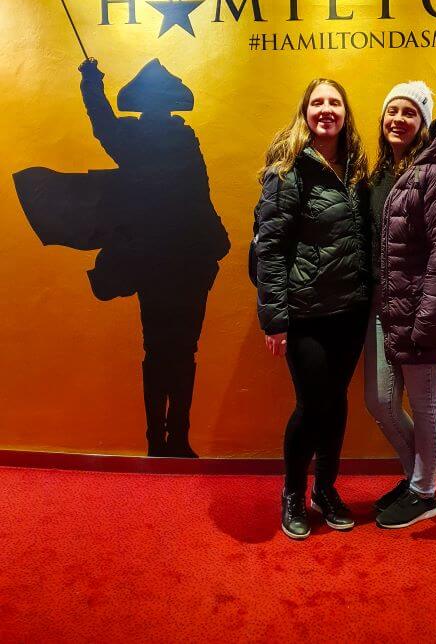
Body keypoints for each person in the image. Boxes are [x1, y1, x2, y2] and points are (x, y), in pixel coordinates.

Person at [77, 58, 229, 457]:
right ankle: (165, 439)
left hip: (178, 258)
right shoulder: (162, 138)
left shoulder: (152, 138)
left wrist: (92, 82)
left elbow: (102, 123)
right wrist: (91, 83)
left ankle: (170, 438)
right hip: (175, 258)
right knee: (172, 349)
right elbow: (102, 122)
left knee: (168, 349)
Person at [255, 78, 370, 540]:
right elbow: (270, 250)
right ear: (305, 112)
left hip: (351, 310)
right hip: (305, 313)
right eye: (318, 102)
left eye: (335, 102)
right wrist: (275, 319)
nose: (326, 110)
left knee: (336, 402)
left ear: (345, 113)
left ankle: (325, 488)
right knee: (312, 404)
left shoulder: (360, 170)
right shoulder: (287, 171)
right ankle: (292, 494)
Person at [364, 82, 436, 529]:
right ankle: (416, 478)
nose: (398, 119)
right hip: (382, 309)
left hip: (422, 311)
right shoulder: (379, 175)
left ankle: (424, 492)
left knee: (426, 400)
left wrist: (428, 321)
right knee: (380, 400)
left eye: (410, 113)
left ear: (424, 125)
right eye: (392, 109)